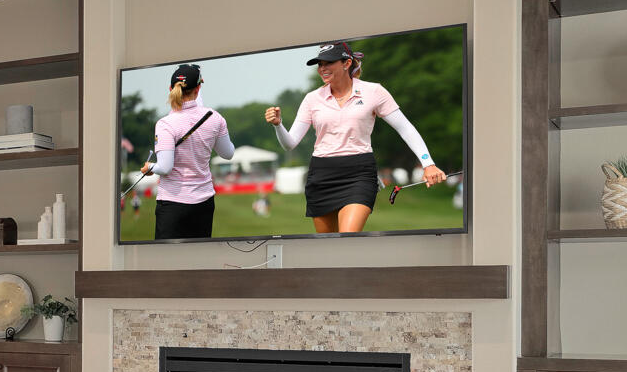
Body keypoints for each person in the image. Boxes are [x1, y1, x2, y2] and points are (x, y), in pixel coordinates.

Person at [270, 41, 446, 233]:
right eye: (320, 64)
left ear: (346, 64)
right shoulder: (312, 99)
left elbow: (406, 129)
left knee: (348, 239)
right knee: (328, 249)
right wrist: (278, 125)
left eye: (328, 63)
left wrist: (428, 163)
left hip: (359, 173)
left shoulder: (374, 91)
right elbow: (290, 144)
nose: (323, 68)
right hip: (321, 175)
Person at [132, 62, 236, 239]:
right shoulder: (215, 118)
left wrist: (149, 167)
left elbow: (164, 168)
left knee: (167, 263)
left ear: (171, 88)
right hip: (204, 202)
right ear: (198, 89)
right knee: (198, 261)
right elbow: (228, 153)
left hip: (173, 204)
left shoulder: (165, 124)